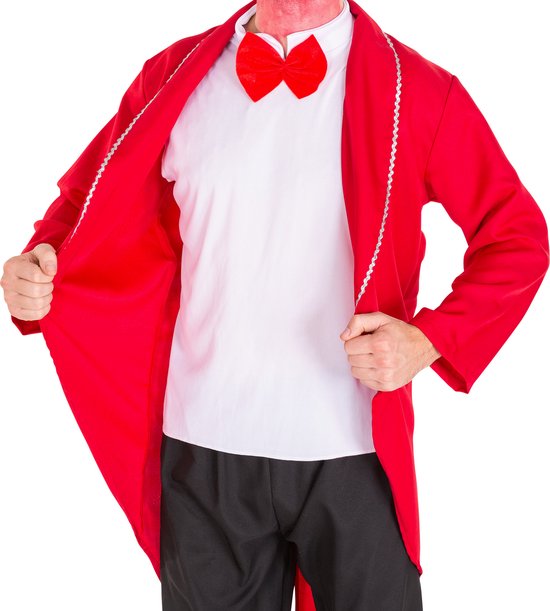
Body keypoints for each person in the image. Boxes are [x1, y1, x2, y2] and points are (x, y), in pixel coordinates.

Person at [2, 0, 548, 609]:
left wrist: (428, 341)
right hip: (203, 448)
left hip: (354, 450)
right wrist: (36, 267)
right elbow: (81, 210)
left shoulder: (417, 90)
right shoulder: (171, 77)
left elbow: (517, 238)